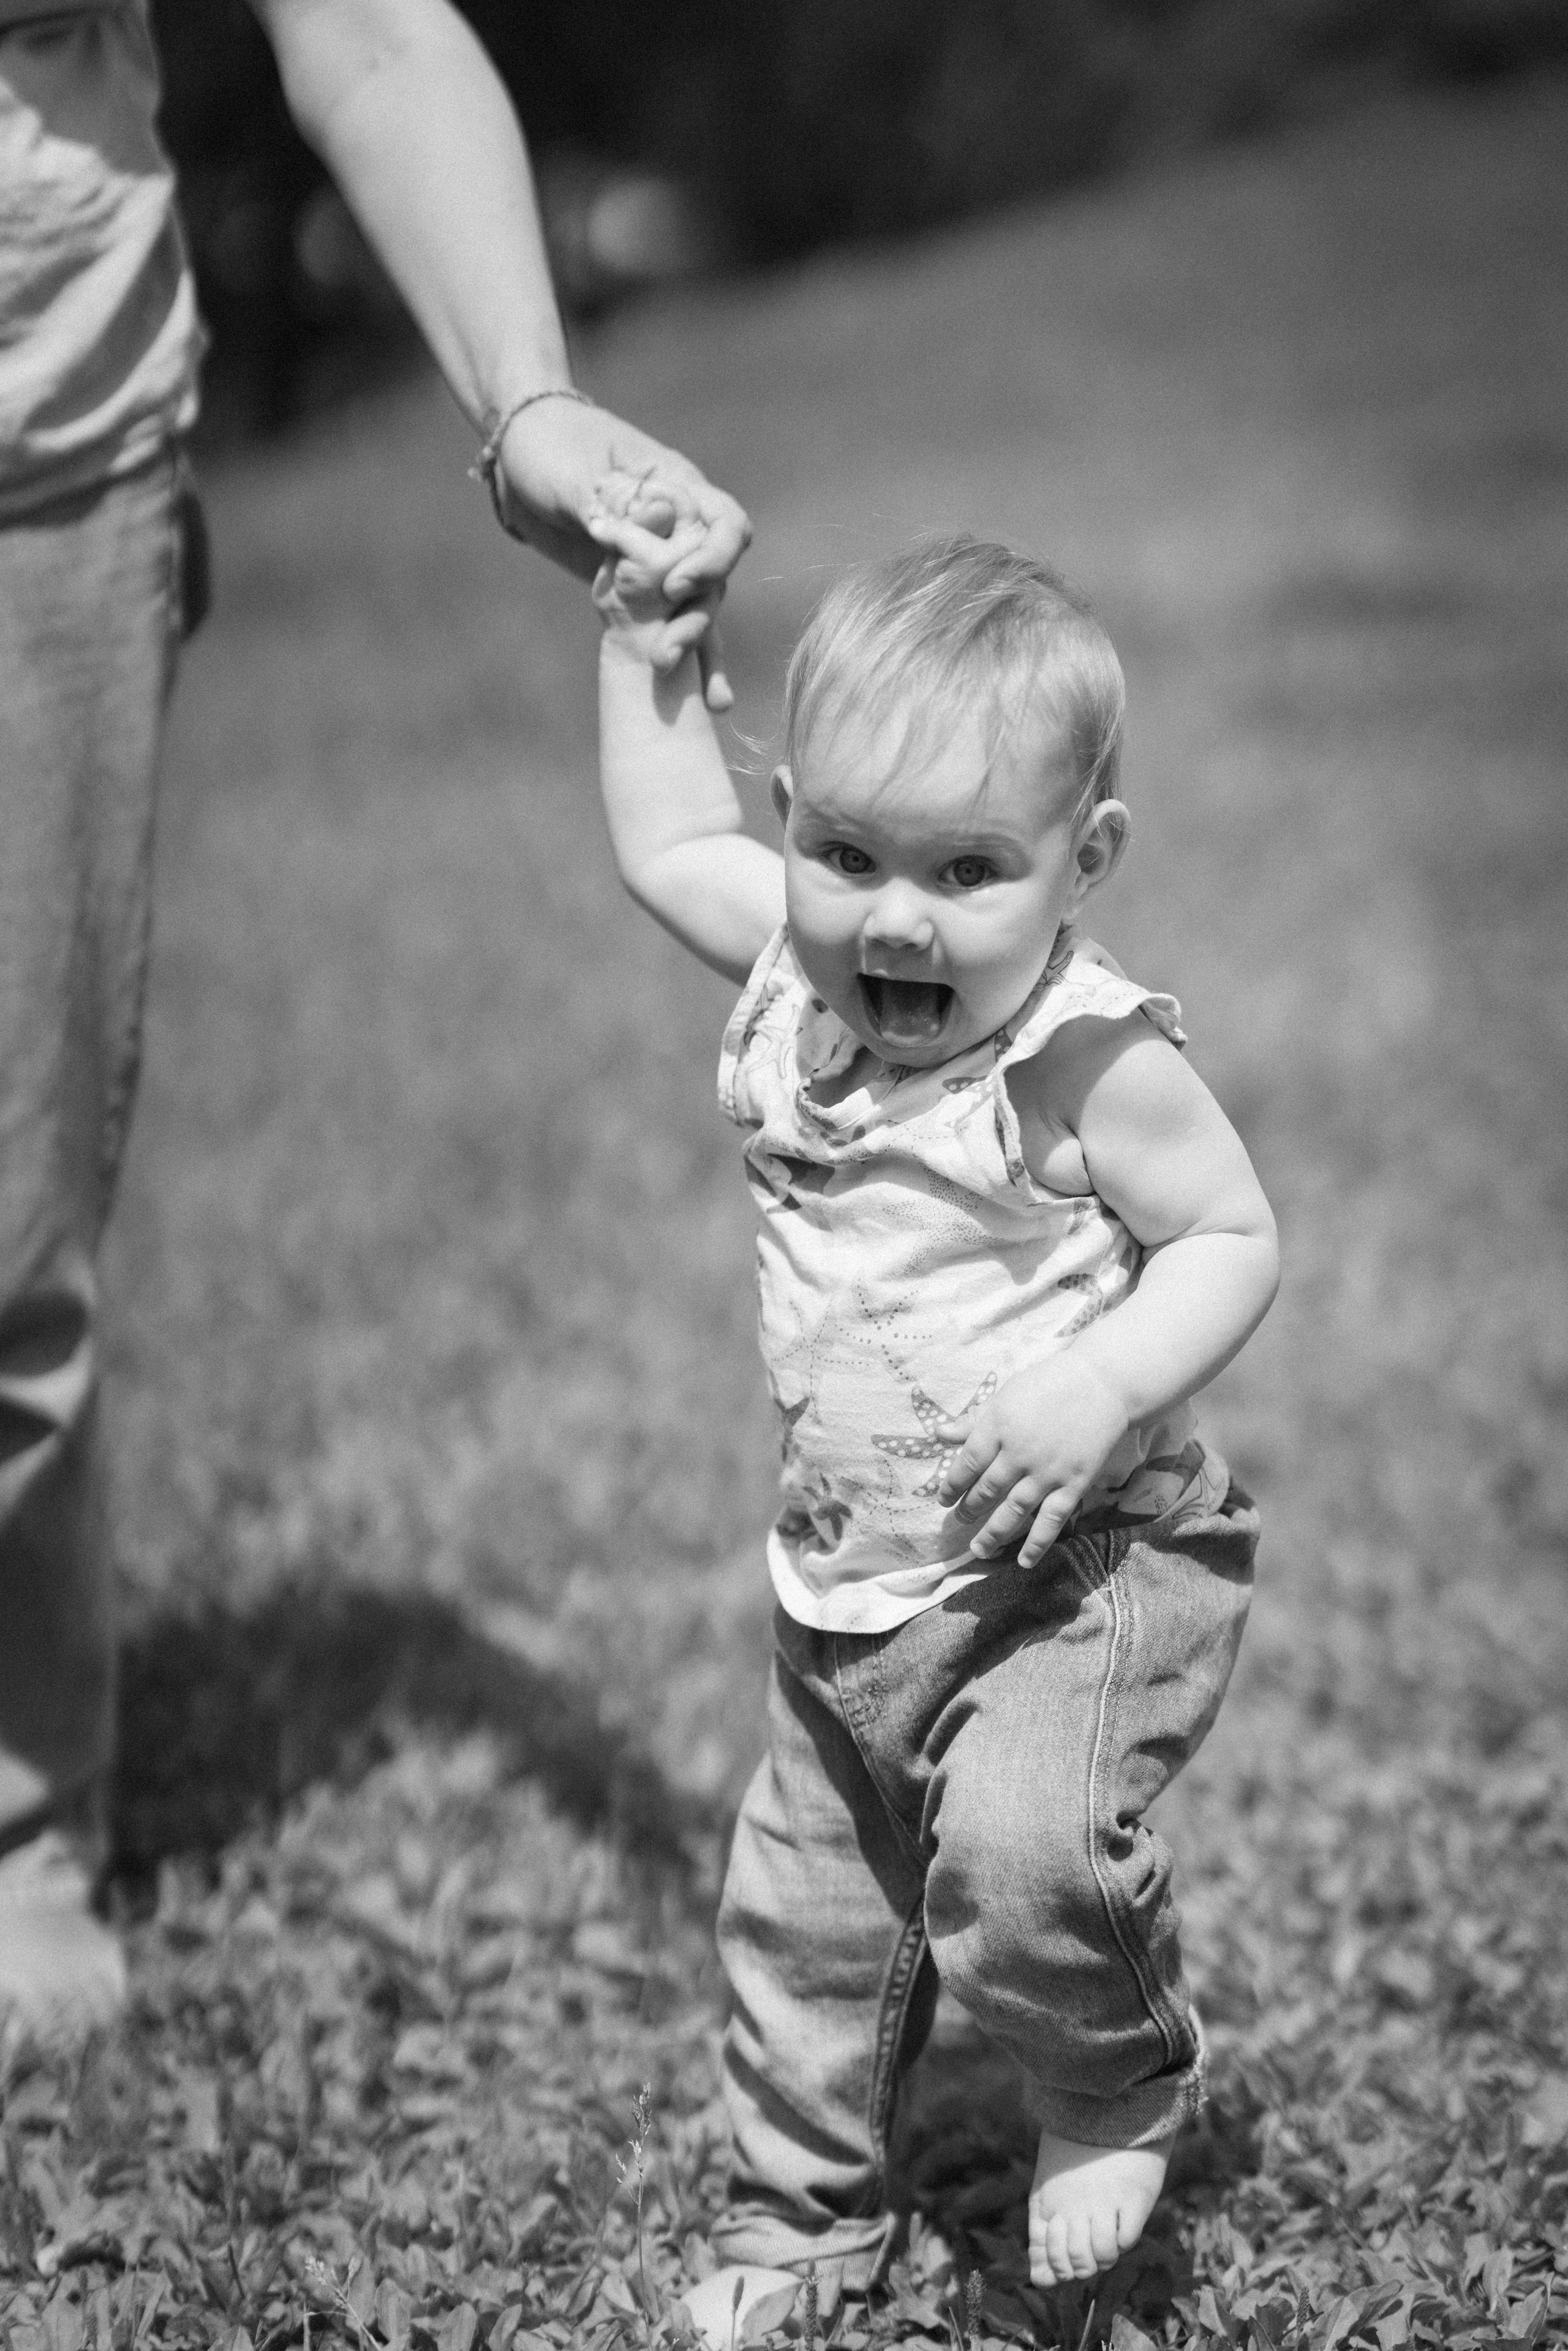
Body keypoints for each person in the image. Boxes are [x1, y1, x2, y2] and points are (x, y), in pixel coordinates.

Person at [0, 0, 748, 2056]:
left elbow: (373, 33)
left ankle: (15, 1805)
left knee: (8, 1223)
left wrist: (530, 404)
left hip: (39, 469)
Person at [589, 523, 1279, 2328]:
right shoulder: (793, 983)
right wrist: (646, 653)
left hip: (1074, 1573)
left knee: (1024, 1850)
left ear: (1082, 861)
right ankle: (797, 2226)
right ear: (794, 823)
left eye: (970, 869)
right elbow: (665, 844)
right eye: (847, 855)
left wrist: (1107, 1381)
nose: (895, 918)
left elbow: (1232, 1236)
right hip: (849, 1596)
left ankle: (1112, 2082)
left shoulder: (1082, 1061)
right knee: (803, 1933)